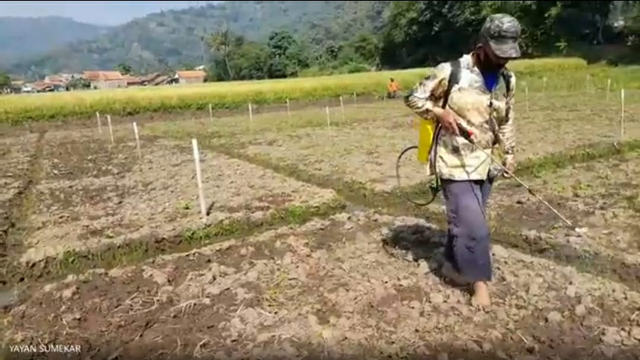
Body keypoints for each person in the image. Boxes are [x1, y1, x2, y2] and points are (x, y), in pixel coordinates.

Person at [404, 14, 521, 307]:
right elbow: (414, 98)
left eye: (509, 54)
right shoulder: (452, 71)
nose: (504, 60)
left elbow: (506, 119)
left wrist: (510, 152)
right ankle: (480, 285)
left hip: (487, 163)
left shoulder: (507, 79)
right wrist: (440, 113)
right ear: (482, 46)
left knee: (468, 221)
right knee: (475, 227)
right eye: (498, 53)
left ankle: (449, 264)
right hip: (454, 162)